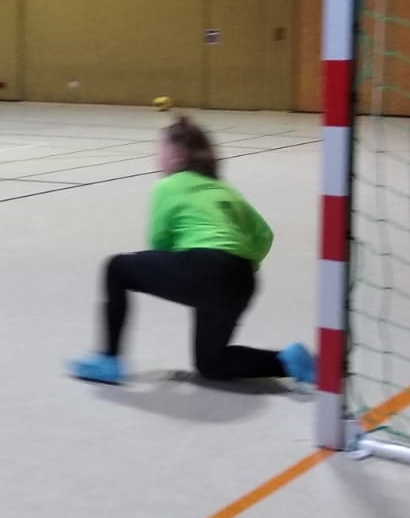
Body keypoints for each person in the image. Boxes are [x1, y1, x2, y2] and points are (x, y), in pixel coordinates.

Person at [69, 116, 313, 387]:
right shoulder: (225, 190)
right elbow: (264, 235)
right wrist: (240, 263)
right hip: (243, 280)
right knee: (211, 363)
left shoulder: (169, 185)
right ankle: (287, 360)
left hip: (203, 267)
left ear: (178, 156)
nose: (157, 156)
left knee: (117, 268)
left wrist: (186, 271)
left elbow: (160, 243)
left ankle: (108, 360)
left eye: (161, 149)